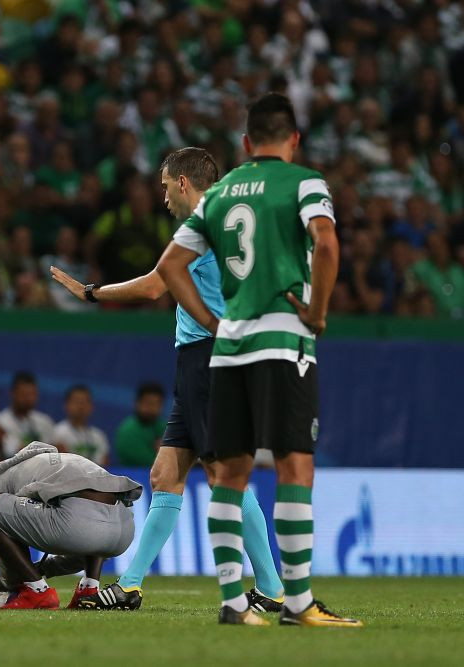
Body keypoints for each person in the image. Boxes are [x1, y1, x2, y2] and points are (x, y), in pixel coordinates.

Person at [156, 94, 361, 627]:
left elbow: (170, 267)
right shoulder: (305, 183)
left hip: (228, 349)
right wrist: (316, 311)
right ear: (293, 140)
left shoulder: (219, 194)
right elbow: (329, 244)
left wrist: (212, 322)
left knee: (230, 474)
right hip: (282, 339)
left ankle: (233, 602)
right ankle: (297, 604)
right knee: (295, 464)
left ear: (246, 143)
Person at [51, 147, 285, 615]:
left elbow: (155, 285)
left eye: (164, 187)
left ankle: (274, 589)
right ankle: (131, 586)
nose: (161, 198)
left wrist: (92, 293)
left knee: (224, 477)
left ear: (183, 183)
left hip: (210, 362)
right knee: (166, 475)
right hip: (208, 362)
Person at [0, 441, 142, 610]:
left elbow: (8, 547)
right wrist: (42, 569)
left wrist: (11, 582)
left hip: (79, 526)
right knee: (91, 518)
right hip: (124, 530)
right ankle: (89, 588)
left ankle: (37, 591)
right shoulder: (63, 459)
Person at [0, 371, 55, 457]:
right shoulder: (1, 421)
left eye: (32, 394)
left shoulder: (44, 421)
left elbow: (54, 450)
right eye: (24, 394)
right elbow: (12, 451)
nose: (28, 399)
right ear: (13, 393)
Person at [112, 382, 166, 467]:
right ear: (137, 403)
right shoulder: (128, 431)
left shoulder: (164, 426)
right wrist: (165, 454)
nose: (152, 409)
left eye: (156, 404)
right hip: (136, 477)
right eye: (148, 404)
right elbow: (148, 462)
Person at [53, 385, 109, 465]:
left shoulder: (99, 436)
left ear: (91, 407)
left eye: (84, 402)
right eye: (77, 402)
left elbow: (105, 465)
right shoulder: (58, 433)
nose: (81, 406)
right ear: (66, 405)